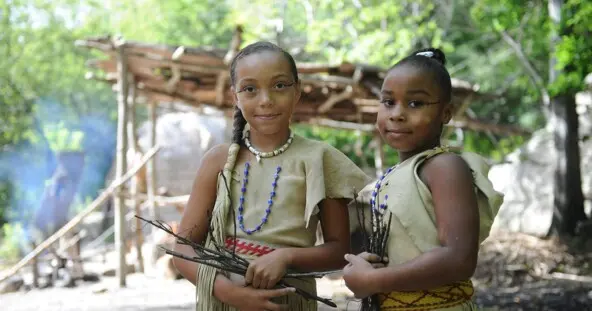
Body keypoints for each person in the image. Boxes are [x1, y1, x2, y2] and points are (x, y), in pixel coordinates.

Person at [173, 41, 370, 311]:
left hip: (289, 301)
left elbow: (338, 252)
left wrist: (286, 257)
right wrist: (228, 292)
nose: (266, 100)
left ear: (297, 91)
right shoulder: (219, 161)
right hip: (222, 302)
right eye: (250, 89)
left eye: (279, 86)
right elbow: (182, 249)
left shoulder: (319, 159)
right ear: (235, 97)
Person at [342, 48, 503, 311]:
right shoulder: (389, 179)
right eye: (388, 102)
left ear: (446, 113)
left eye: (415, 103)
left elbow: (459, 259)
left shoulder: (445, 167)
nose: (397, 114)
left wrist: (373, 279)